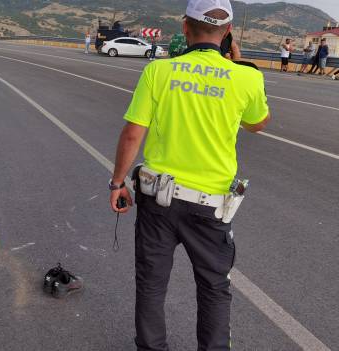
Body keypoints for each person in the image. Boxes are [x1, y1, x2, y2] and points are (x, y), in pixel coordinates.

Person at [108, 0, 271, 350]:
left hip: (158, 201)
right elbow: (258, 123)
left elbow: (133, 134)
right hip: (211, 207)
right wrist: (236, 64)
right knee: (214, 289)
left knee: (152, 284)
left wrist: (118, 182)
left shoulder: (159, 72)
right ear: (227, 33)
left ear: (185, 27)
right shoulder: (247, 76)